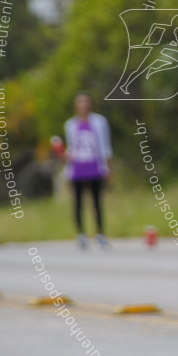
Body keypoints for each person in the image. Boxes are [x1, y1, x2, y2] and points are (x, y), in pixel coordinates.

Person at [64, 92, 112, 249]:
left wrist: (108, 167)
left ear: (90, 105)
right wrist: (64, 155)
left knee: (97, 202)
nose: (83, 106)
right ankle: (81, 235)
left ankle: (100, 234)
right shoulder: (70, 124)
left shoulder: (99, 122)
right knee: (77, 203)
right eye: (80, 103)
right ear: (76, 106)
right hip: (77, 168)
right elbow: (72, 147)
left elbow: (105, 145)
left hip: (95, 166)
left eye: (86, 102)